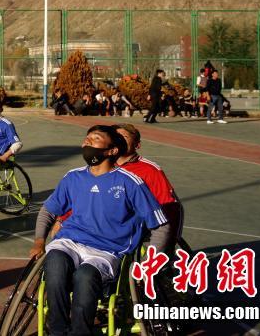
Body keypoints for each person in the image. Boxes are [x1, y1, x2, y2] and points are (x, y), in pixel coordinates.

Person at [30, 125, 167, 336]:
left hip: (107, 250)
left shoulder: (130, 182)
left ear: (111, 151)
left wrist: (150, 263)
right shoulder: (73, 177)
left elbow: (160, 225)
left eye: (95, 138)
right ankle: (57, 330)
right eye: (87, 138)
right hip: (70, 241)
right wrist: (39, 240)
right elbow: (48, 210)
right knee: (55, 261)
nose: (88, 142)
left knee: (85, 276)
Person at [114, 124, 182, 255]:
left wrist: (170, 241)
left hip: (140, 225)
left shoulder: (150, 170)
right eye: (116, 137)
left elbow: (169, 207)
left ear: (137, 145)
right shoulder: (105, 166)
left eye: (124, 137)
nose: (119, 140)